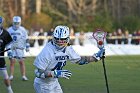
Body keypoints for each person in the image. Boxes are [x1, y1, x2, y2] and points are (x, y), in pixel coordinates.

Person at [33, 25, 105, 93]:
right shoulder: (47, 51)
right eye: (57, 39)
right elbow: (38, 73)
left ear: (67, 38)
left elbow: (79, 60)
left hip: (54, 82)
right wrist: (55, 73)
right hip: (43, 84)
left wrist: (95, 57)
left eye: (62, 39)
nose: (60, 41)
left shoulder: (67, 48)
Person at [7, 16, 30, 81]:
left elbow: (26, 38)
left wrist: (27, 46)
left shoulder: (22, 29)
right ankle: (11, 76)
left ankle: (23, 76)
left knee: (21, 62)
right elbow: (7, 40)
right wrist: (9, 50)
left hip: (20, 48)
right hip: (12, 48)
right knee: (12, 62)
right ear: (13, 22)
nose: (16, 24)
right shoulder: (9, 30)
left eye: (17, 23)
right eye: (15, 23)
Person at [0, 16, 14, 93]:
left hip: (0, 59)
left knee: (5, 76)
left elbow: (8, 45)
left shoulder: (5, 33)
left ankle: (9, 90)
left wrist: (10, 52)